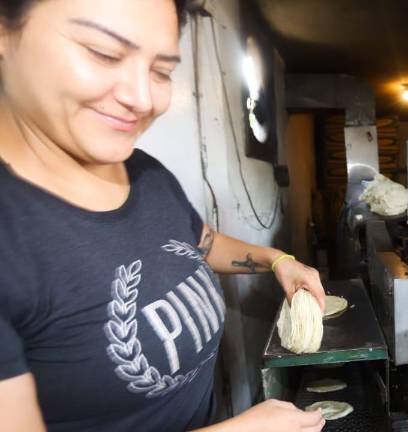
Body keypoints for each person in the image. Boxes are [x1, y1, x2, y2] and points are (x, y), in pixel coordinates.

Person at [0, 1, 326, 431]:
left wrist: (277, 260)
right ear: (5, 32)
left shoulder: (145, 173)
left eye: (161, 71)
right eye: (103, 53)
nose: (142, 98)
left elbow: (200, 241)